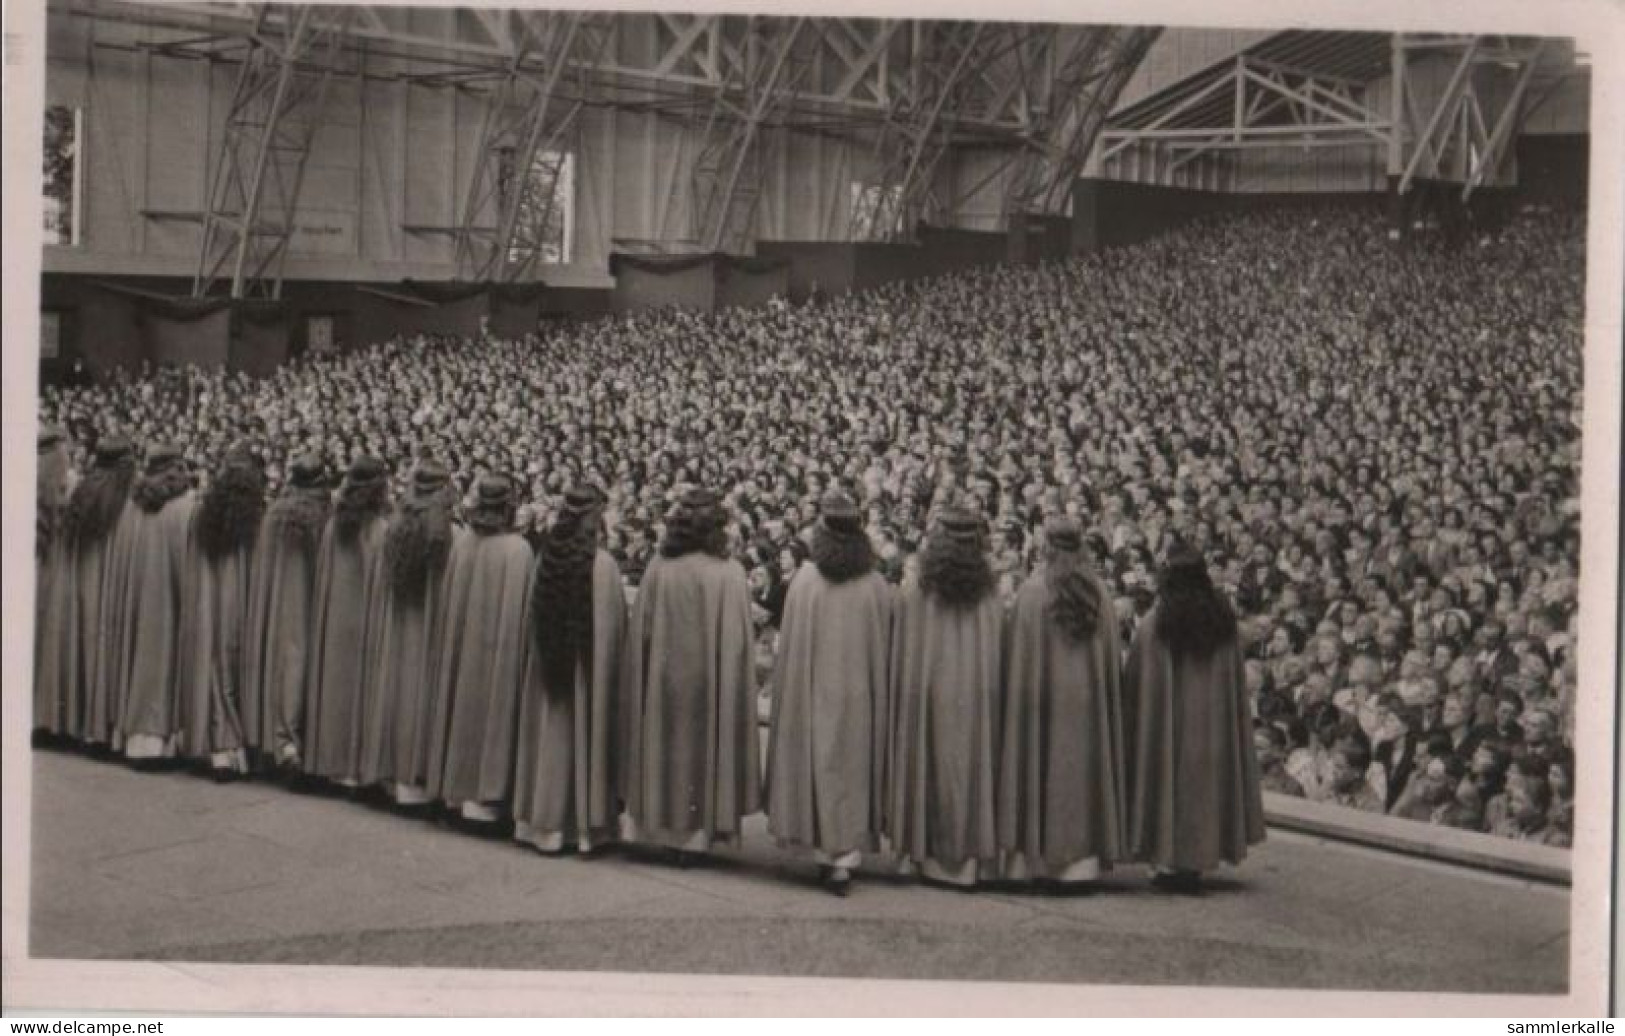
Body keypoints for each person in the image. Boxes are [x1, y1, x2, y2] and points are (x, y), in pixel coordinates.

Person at [764, 490, 893, 894]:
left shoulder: (805, 579)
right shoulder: (874, 584)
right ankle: (845, 858)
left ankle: (826, 854)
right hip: (859, 693)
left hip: (816, 688)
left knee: (820, 765)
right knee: (851, 768)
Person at [620, 487, 758, 862]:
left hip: (665, 677)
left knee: (667, 749)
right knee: (702, 753)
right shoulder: (729, 573)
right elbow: (737, 643)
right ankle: (695, 837)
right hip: (710, 680)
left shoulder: (658, 568)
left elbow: (642, 631)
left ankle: (665, 829)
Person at [1123, 541, 1265, 894]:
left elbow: (1138, 679)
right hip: (1211, 726)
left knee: (1168, 785)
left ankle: (1168, 860)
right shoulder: (1222, 621)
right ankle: (1197, 858)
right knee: (1203, 789)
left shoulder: (1157, 623)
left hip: (1169, 726)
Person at [998, 516, 1127, 888]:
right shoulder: (1099, 593)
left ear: (1046, 547)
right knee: (1080, 774)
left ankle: (1036, 860)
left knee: (1038, 766)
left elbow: (1016, 656)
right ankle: (1080, 864)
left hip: (1040, 700)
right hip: (1085, 703)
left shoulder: (1032, 592)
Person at [888, 507, 1004, 889]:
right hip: (975, 696)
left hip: (931, 691)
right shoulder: (989, 594)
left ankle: (922, 855)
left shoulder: (921, 592)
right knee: (971, 769)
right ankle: (968, 862)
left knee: (929, 764)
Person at [514, 485, 628, 854]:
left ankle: (542, 822)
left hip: (551, 664)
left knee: (552, 734)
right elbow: (614, 632)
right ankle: (582, 826)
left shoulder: (546, 557)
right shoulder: (604, 566)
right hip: (586, 669)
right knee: (584, 738)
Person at [427, 475, 534, 829]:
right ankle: (485, 798)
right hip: (496, 651)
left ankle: (455, 791)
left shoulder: (464, 543)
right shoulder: (517, 550)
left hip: (464, 645)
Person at [360, 461, 460, 807]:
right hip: (429, 629)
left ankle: (390, 772)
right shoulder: (447, 535)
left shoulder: (394, 529)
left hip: (400, 626)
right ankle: (414, 776)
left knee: (395, 686)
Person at [34, 435, 137, 749]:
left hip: (74, 584)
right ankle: (93, 727)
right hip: (106, 587)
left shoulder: (79, 494)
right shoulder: (125, 503)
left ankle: (60, 722)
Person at [303, 455, 392, 786]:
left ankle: (329, 761)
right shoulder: (380, 530)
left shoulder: (333, 526)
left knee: (333, 685)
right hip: (364, 618)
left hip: (337, 614)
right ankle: (354, 769)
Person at [178, 444, 265, 777]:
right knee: (238, 668)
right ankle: (237, 745)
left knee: (214, 670)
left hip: (210, 602)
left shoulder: (202, 516)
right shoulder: (256, 519)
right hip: (243, 603)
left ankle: (221, 747)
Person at [241, 453, 330, 770]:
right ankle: (290, 740)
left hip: (273, 599)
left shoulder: (274, 513)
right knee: (298, 661)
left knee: (273, 658)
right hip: (305, 601)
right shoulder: (320, 518)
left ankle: (269, 738)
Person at [118, 444, 200, 763]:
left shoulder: (133, 505)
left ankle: (137, 738)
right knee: (166, 661)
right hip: (169, 596)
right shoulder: (184, 506)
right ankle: (160, 739)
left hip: (138, 594)